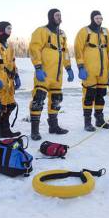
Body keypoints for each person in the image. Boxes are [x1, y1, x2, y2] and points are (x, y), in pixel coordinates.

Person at [28, 9, 74, 141]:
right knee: (38, 100)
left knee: (56, 99)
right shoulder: (41, 31)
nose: (59, 17)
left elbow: (64, 52)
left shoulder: (62, 34)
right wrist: (38, 66)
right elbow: (34, 49)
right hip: (44, 72)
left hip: (57, 75)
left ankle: (53, 126)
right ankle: (34, 131)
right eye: (57, 15)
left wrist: (69, 68)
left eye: (60, 15)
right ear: (50, 17)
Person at [74, 10, 109, 131]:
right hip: (89, 70)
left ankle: (99, 119)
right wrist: (80, 66)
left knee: (100, 95)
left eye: (101, 18)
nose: (99, 20)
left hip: (103, 70)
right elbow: (78, 49)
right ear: (92, 18)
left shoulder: (105, 31)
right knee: (89, 95)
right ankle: (87, 122)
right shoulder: (84, 31)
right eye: (97, 18)